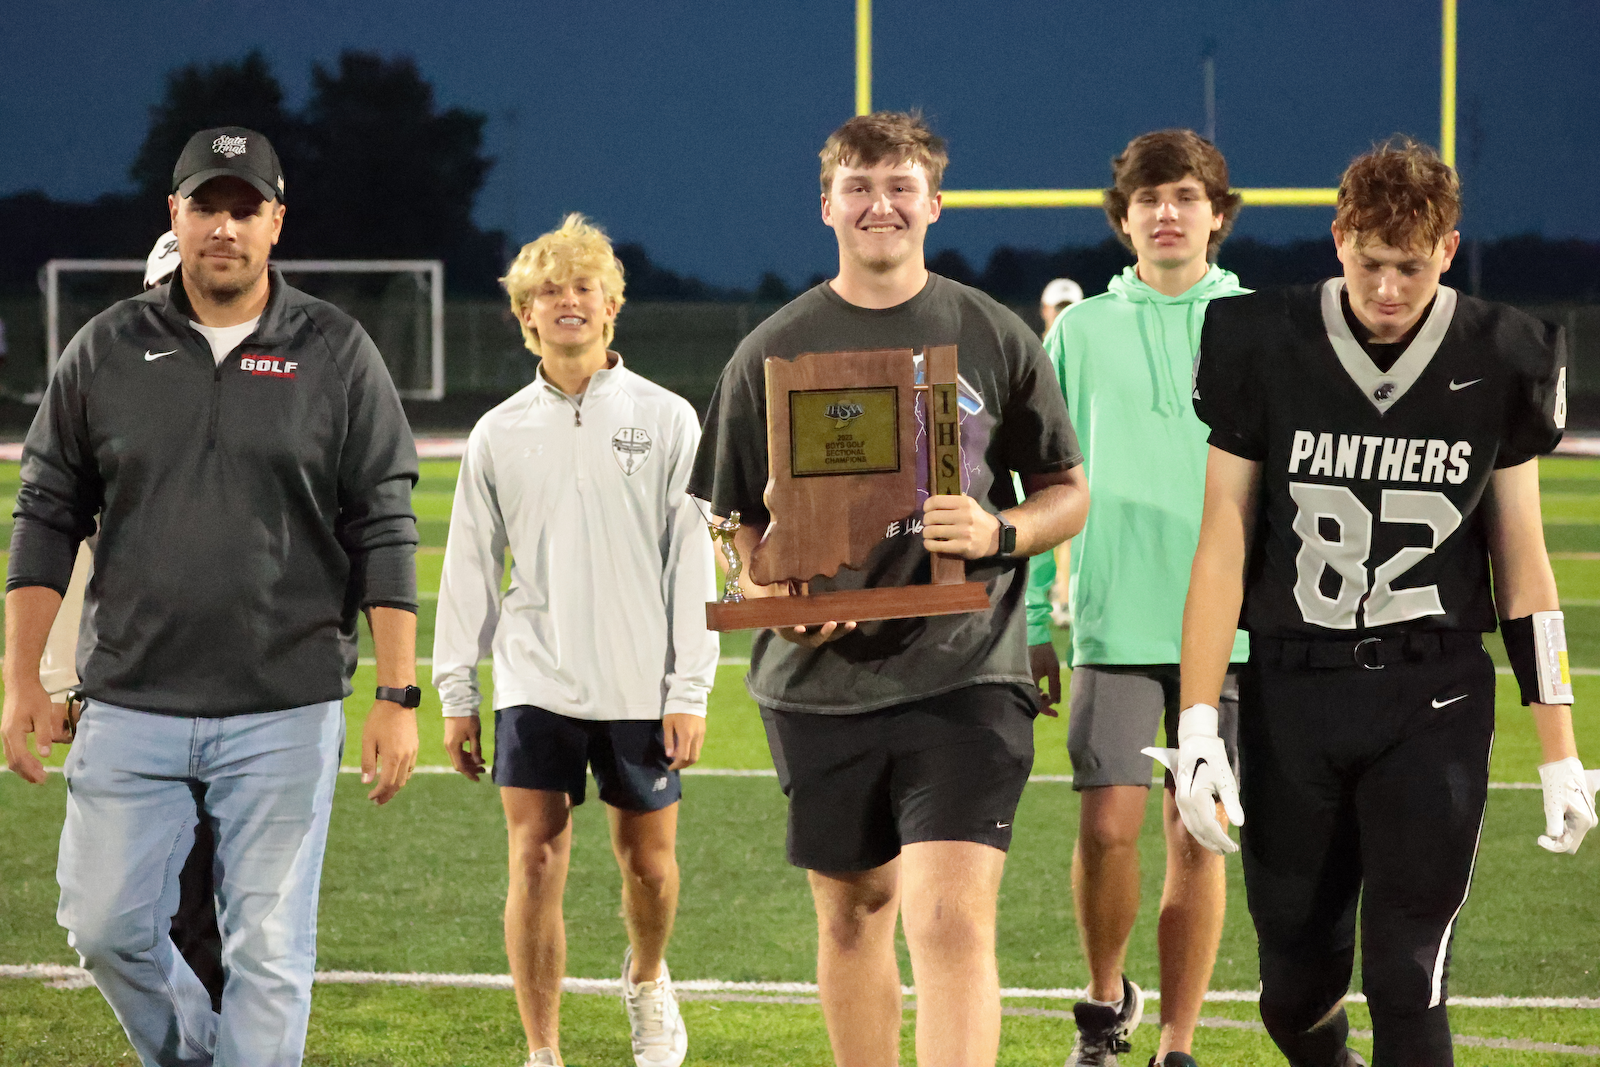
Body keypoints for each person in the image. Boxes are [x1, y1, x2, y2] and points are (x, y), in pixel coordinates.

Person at [0, 125, 421, 1067]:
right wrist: (22, 673)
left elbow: (385, 523)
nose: (224, 226)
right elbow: (46, 513)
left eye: (244, 207)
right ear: (175, 215)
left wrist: (397, 693)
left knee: (269, 952)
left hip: (285, 704)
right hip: (132, 699)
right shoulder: (105, 347)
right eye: (206, 206)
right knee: (104, 926)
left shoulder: (337, 350)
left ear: (276, 221)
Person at [1176, 137, 1595, 1067]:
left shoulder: (1502, 354)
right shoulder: (1263, 341)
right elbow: (1223, 541)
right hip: (1293, 689)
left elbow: (1524, 567)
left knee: (1408, 974)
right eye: (1370, 262)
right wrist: (1199, 719)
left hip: (1431, 692)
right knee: (1292, 988)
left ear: (1448, 251)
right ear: (1338, 240)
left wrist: (1560, 745)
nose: (1389, 288)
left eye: (1411, 266)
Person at [691, 111, 1089, 1067]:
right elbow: (730, 517)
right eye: (859, 188)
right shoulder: (771, 348)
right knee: (854, 913)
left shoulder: (991, 331)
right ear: (826, 205)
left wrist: (998, 532)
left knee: (949, 917)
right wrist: (770, 588)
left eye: (901, 186)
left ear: (934, 203)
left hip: (966, 666)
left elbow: (1068, 491)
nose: (881, 205)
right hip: (821, 683)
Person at [433, 213, 718, 1067]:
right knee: (534, 858)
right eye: (549, 291)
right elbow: (470, 566)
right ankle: (543, 1050)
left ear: (611, 305)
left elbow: (693, 562)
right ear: (524, 313)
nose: (568, 301)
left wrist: (689, 688)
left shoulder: (669, 418)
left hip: (640, 680)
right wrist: (456, 693)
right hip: (536, 678)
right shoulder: (498, 431)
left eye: (583, 287)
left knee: (649, 866)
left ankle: (648, 978)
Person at [1025, 130, 1249, 1067]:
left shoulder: (1258, 324)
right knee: (1108, 827)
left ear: (1218, 215)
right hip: (1115, 619)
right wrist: (1036, 615)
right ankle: (1106, 997)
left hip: (1231, 629)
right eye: (1149, 198)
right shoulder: (1079, 331)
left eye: (1186, 196)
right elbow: (1040, 478)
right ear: (1123, 219)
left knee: (1200, 832)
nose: (1167, 213)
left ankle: (1177, 1042)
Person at [1036, 276, 1084, 628]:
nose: (1063, 315)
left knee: (1071, 528)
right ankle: (1051, 595)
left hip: (1076, 453)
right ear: (1045, 311)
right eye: (1059, 309)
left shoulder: (1088, 351)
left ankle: (1065, 595)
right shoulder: (1034, 351)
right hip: (1043, 453)